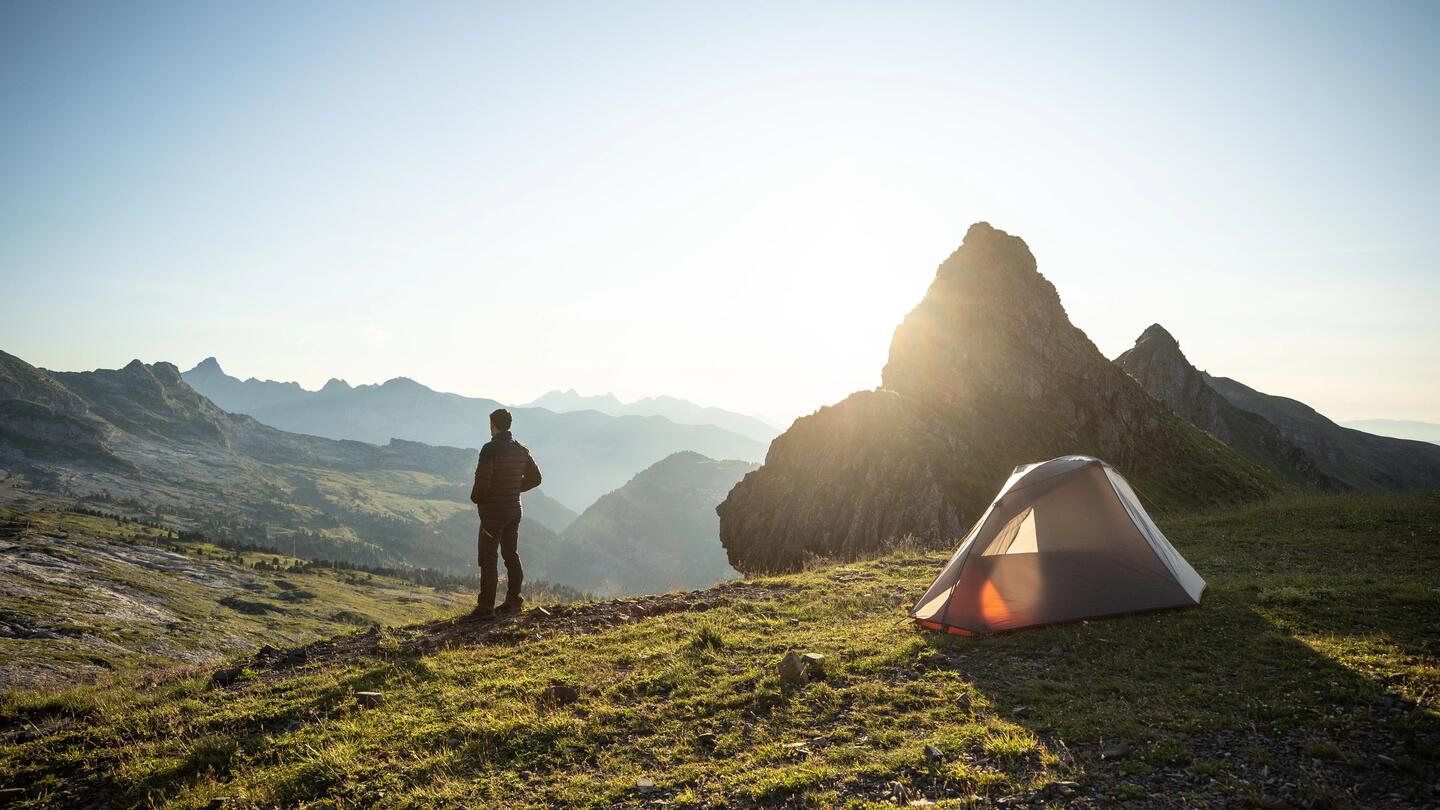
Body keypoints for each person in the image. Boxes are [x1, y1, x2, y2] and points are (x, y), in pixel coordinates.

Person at [468, 407, 542, 619]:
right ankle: (513, 600)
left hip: (493, 513)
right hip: (514, 510)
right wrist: (514, 488)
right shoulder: (521, 449)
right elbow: (536, 478)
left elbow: (482, 482)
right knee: (511, 555)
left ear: (494, 425)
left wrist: (477, 498)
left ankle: (485, 608)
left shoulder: (489, 449)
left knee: (488, 558)